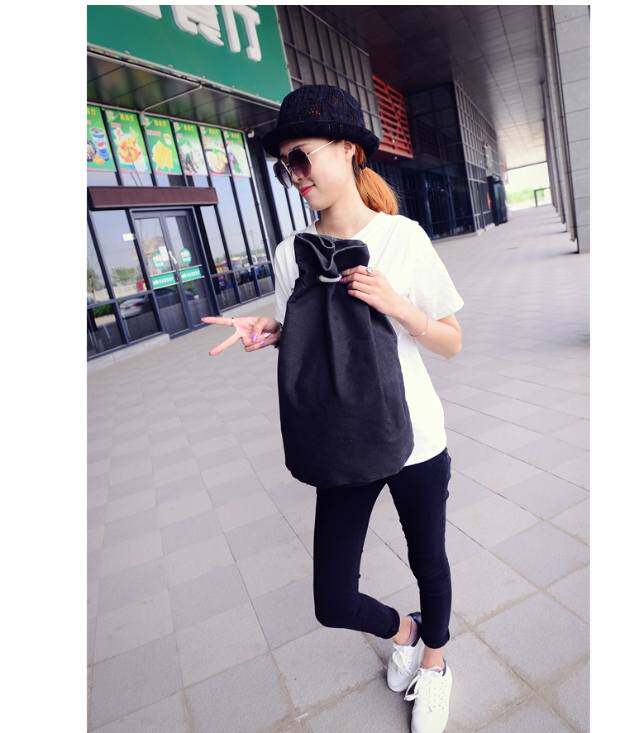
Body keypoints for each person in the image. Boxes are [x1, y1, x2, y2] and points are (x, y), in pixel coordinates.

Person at [202, 84, 464, 733]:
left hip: (417, 438)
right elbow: (315, 334)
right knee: (333, 598)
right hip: (343, 439)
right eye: (283, 164)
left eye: (301, 157)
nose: (294, 174)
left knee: (428, 560)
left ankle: (435, 664)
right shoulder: (290, 251)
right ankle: (407, 632)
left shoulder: (403, 238)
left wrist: (396, 304)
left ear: (349, 150)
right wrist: (274, 330)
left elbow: (451, 341)